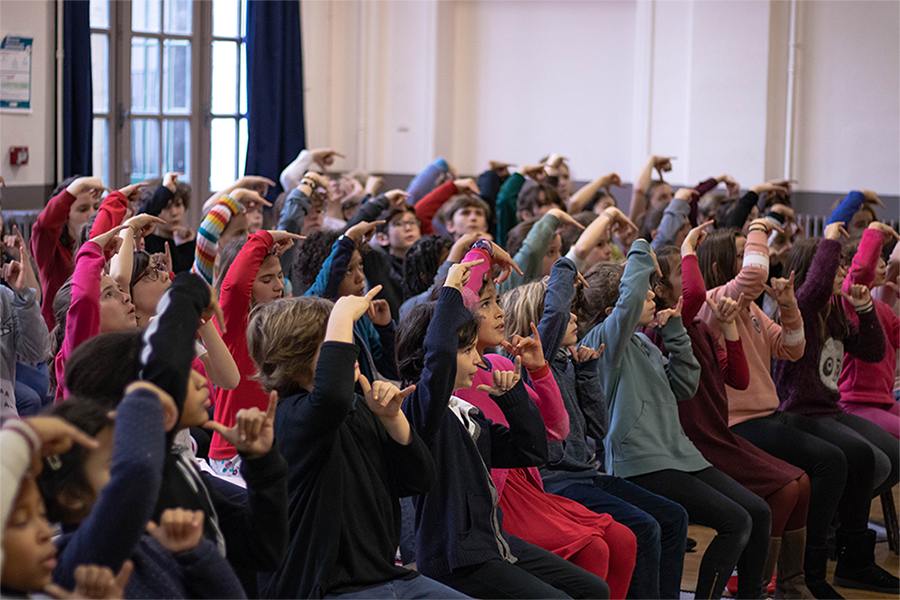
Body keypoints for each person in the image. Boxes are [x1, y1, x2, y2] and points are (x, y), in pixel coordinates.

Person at [396, 261, 610, 600]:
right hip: (457, 558)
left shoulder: (466, 413)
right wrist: (452, 285)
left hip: (492, 541)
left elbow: (532, 451)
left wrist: (513, 400)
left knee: (593, 589)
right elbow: (438, 355)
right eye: (466, 351)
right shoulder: (420, 411)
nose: (478, 361)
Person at [247, 287, 468, 600]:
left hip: (387, 578)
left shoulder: (357, 406)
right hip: (323, 588)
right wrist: (339, 312)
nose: (348, 348)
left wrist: (393, 420)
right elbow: (330, 399)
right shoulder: (288, 417)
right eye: (336, 340)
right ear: (296, 354)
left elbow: (420, 478)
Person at [579, 237, 755, 600]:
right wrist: (642, 246)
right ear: (616, 307)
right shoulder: (601, 343)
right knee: (733, 521)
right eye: (646, 293)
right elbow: (629, 298)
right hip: (641, 462)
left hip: (679, 454)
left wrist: (673, 332)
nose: (653, 299)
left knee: (752, 512)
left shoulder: (644, 341)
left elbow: (685, 385)